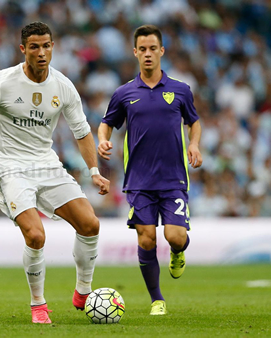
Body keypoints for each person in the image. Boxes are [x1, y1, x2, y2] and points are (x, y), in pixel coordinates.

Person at [0, 21, 110, 324]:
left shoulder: (63, 86)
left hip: (46, 164)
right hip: (10, 168)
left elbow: (82, 132)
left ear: (53, 47)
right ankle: (38, 304)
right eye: (34, 46)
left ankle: (83, 291)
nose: (42, 52)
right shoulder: (2, 82)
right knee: (35, 235)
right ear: (23, 49)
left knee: (90, 224)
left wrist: (94, 170)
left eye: (46, 45)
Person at [97, 24, 203, 315]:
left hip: (173, 179)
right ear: (134, 52)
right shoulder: (124, 93)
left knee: (175, 237)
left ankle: (179, 253)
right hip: (140, 180)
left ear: (161, 51)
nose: (147, 54)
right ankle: (157, 299)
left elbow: (194, 121)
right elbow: (106, 122)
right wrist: (103, 139)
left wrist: (194, 144)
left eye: (152, 49)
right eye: (142, 49)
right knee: (146, 238)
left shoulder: (180, 91)